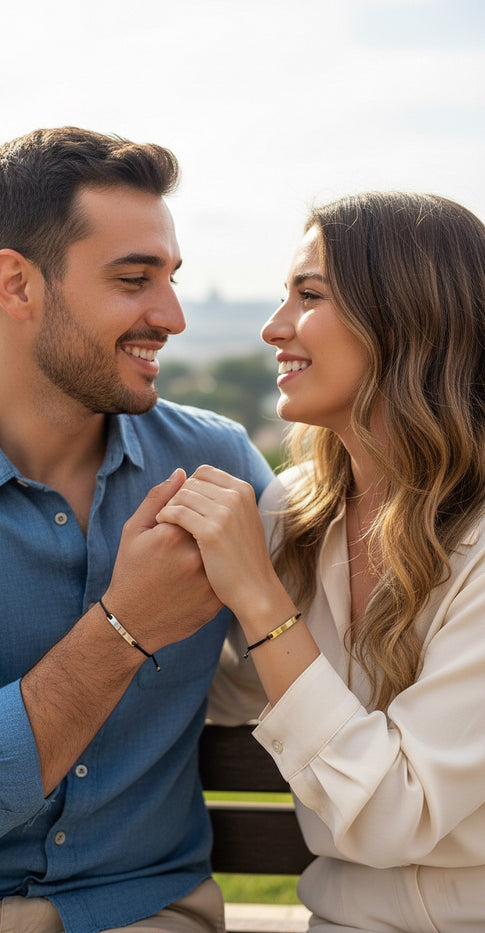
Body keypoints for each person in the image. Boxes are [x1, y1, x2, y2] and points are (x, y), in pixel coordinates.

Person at [0, 126, 272, 933]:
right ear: (16, 285)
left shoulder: (216, 459)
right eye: (135, 279)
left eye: (170, 279)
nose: (170, 316)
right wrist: (123, 628)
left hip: (147, 912)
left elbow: (344, 642)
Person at [157, 191, 485, 932]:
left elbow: (394, 811)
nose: (274, 328)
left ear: (404, 319)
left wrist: (259, 600)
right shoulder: (293, 513)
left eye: (307, 296)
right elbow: (245, 695)